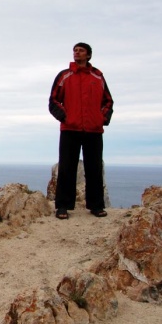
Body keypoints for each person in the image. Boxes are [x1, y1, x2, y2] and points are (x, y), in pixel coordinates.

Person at [49, 43, 114, 219]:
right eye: (75, 50)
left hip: (94, 130)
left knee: (94, 168)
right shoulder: (64, 75)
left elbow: (108, 101)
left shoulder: (98, 77)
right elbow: (53, 100)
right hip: (70, 129)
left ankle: (96, 206)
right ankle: (62, 206)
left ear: (88, 55)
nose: (77, 53)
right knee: (66, 167)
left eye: (81, 50)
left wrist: (102, 119)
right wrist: (65, 117)